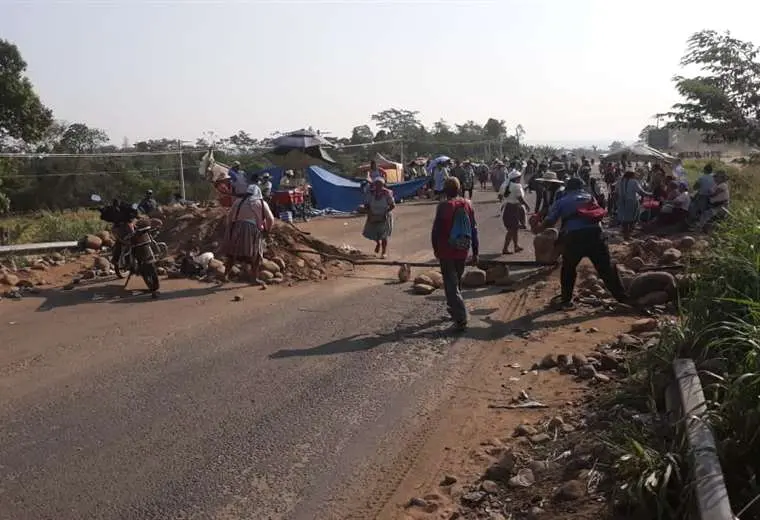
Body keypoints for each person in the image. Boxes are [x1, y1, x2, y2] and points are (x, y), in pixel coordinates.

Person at [536, 177, 628, 310]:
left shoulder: (562, 201)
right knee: (606, 268)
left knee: (568, 268)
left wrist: (538, 228)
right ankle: (623, 298)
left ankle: (566, 301)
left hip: (575, 238)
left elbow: (550, 221)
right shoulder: (589, 197)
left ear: (568, 188)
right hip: (596, 235)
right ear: (581, 187)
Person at [431, 177, 479, 332]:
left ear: (445, 190)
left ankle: (462, 316)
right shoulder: (468, 204)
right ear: (459, 189)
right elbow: (474, 229)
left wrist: (436, 249)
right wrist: (476, 251)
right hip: (462, 250)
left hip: (446, 250)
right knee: (456, 281)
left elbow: (436, 231)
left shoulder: (444, 206)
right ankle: (454, 309)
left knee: (451, 284)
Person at [220, 184, 274, 284]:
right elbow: (270, 219)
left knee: (232, 253)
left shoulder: (238, 202)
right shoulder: (261, 203)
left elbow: (229, 217)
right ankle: (254, 278)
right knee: (256, 254)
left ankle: (225, 275)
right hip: (252, 230)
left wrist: (230, 229)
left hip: (236, 228)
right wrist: (267, 230)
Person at [499, 168, 531, 254]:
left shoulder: (504, 185)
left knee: (514, 228)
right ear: (517, 178)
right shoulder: (517, 186)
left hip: (506, 207)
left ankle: (516, 246)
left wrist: (507, 199)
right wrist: (526, 205)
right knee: (512, 229)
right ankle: (505, 248)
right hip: (514, 208)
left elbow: (500, 196)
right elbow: (520, 198)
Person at [362, 177, 395, 257]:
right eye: (376, 184)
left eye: (380, 184)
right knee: (373, 233)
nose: (378, 186)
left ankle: (384, 252)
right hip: (373, 215)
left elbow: (392, 205)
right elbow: (366, 205)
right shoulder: (371, 193)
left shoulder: (387, 193)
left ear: (383, 185)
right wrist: (370, 213)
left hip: (384, 216)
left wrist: (385, 212)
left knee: (384, 235)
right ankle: (377, 243)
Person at [616, 170, 651, 240]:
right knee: (632, 218)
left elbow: (616, 191)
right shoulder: (633, 182)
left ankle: (626, 234)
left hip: (621, 201)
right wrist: (650, 194)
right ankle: (629, 234)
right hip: (631, 201)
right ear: (632, 175)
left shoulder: (620, 181)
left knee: (624, 218)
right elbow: (640, 191)